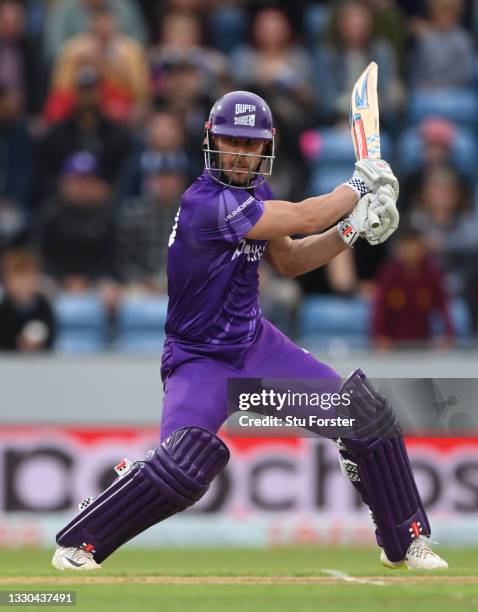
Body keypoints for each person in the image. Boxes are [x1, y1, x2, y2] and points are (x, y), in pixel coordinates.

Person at [51, 91, 447, 572]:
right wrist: (359, 186)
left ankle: (405, 542)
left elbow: (292, 258)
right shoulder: (206, 204)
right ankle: (83, 538)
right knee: (182, 469)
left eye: (251, 143)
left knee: (367, 418)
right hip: (200, 361)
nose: (240, 152)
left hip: (258, 349)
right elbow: (305, 216)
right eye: (231, 141)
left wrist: (353, 230)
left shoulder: (255, 195)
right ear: (211, 142)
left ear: (267, 147)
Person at [0, 249, 55, 352]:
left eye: (28, 278)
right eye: (19, 279)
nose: (24, 284)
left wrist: (39, 344)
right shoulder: (3, 309)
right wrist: (18, 343)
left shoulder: (43, 306)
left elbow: (51, 337)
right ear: (6, 281)